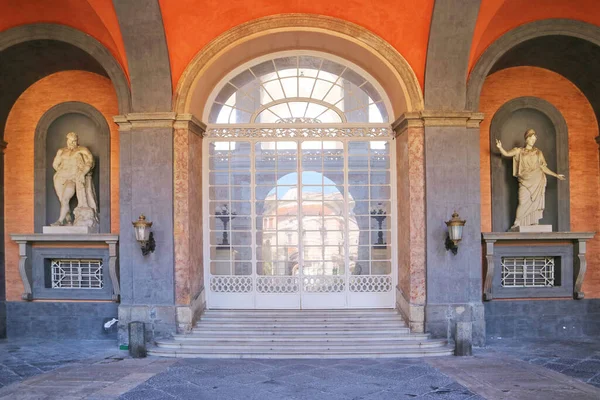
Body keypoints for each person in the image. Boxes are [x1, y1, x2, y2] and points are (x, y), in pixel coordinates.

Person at [496, 129, 565, 230]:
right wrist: (500, 147)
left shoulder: (538, 152)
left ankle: (533, 222)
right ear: (526, 139)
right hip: (525, 180)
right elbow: (506, 154)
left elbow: (543, 167)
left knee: (535, 202)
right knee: (522, 202)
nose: (533, 141)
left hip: (537, 180)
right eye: (531, 139)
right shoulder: (519, 150)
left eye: (534, 139)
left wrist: (556, 175)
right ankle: (517, 222)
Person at [51, 132, 98, 227]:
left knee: (65, 199)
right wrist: (62, 170)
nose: (72, 143)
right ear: (67, 140)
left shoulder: (82, 150)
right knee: (62, 200)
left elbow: (90, 162)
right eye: (70, 141)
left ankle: (60, 221)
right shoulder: (61, 151)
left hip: (72, 178)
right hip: (60, 178)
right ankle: (68, 220)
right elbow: (55, 164)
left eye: (74, 141)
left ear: (77, 141)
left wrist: (83, 172)